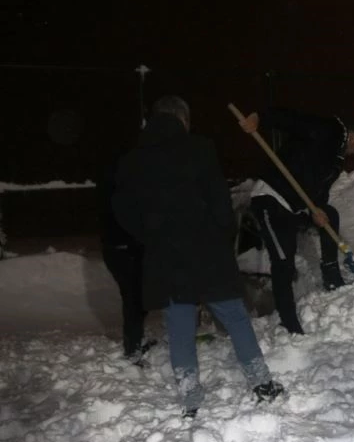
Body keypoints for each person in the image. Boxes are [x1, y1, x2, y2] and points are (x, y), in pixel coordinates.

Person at [113, 96, 283, 418]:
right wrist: (222, 235)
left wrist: (151, 235)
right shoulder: (200, 149)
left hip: (166, 256)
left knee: (179, 326)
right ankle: (262, 384)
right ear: (183, 120)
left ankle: (191, 400)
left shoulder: (132, 160)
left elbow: (123, 211)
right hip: (207, 251)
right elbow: (220, 201)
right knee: (234, 317)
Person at [238, 108, 354, 335]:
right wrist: (261, 117)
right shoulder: (329, 130)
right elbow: (292, 120)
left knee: (330, 214)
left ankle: (332, 275)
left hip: (296, 206)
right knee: (283, 261)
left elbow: (319, 191)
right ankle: (289, 324)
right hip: (272, 197)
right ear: (353, 137)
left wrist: (316, 209)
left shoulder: (335, 160)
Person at [96, 148, 151, 366]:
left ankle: (135, 343)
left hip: (119, 249)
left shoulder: (113, 187)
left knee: (136, 298)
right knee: (134, 299)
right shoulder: (120, 191)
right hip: (122, 250)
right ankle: (133, 349)